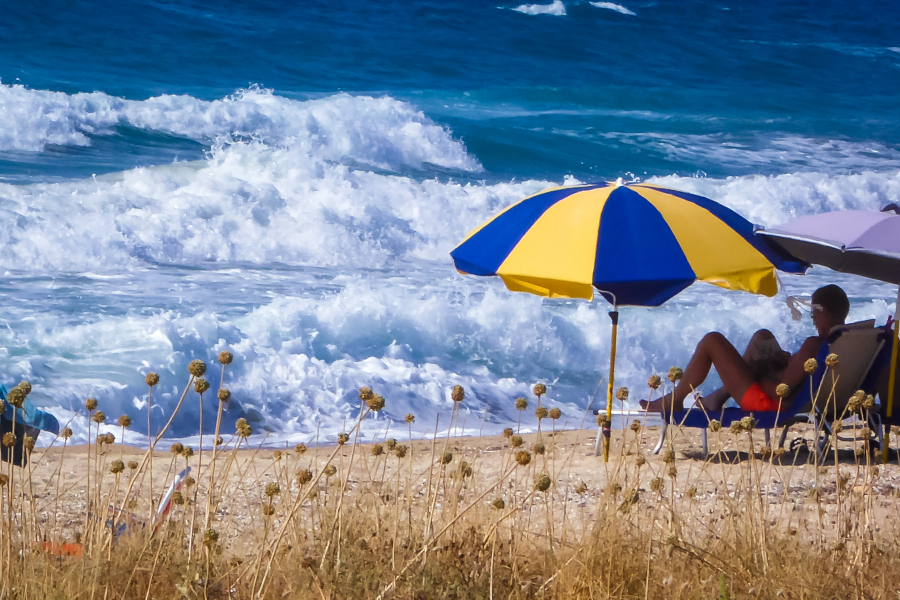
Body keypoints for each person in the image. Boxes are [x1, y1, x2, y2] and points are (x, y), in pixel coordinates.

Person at [639, 285, 849, 413]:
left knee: (712, 341)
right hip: (791, 400)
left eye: (813, 313)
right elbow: (797, 378)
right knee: (762, 336)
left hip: (769, 405)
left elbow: (779, 391)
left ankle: (675, 399)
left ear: (826, 312)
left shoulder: (814, 344)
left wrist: (759, 369)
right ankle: (716, 399)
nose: (812, 319)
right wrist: (785, 363)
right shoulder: (845, 341)